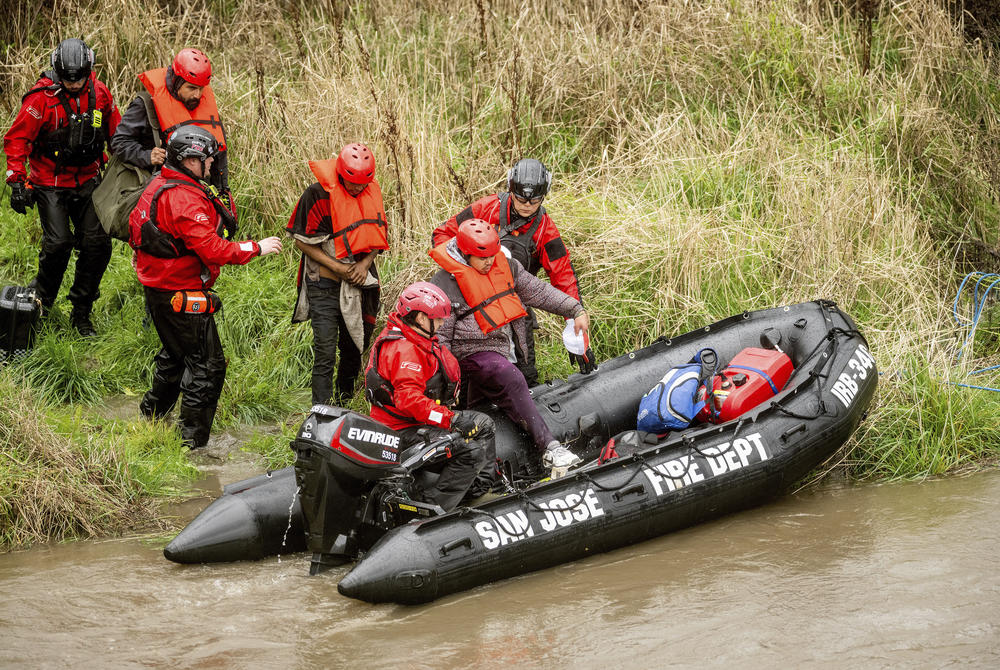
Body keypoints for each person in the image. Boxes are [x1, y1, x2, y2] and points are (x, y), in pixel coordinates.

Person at [128, 126, 282, 449]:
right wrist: (256, 247)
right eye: (205, 158)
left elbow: (139, 230)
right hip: (178, 294)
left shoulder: (162, 183)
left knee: (175, 356)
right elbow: (214, 250)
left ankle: (151, 417)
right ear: (187, 160)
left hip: (161, 291)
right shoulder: (183, 199)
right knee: (207, 368)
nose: (212, 163)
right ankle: (192, 445)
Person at [430, 219, 590, 473]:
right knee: (510, 377)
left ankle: (488, 472)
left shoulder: (508, 267)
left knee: (488, 408)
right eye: (482, 258)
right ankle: (551, 449)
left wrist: (575, 309)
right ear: (464, 253)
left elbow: (541, 292)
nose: (489, 263)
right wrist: (448, 385)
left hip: (501, 350)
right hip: (468, 355)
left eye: (492, 256)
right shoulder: (445, 285)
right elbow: (440, 339)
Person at [431, 158, 593, 384]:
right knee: (473, 371)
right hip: (472, 304)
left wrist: (576, 333)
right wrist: (467, 270)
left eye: (534, 200)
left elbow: (563, 276)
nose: (527, 205)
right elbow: (441, 236)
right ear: (511, 189)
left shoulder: (545, 229)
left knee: (525, 373)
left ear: (544, 195)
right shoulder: (486, 209)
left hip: (515, 303)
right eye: (520, 198)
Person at [3, 38, 121, 336]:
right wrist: (16, 178)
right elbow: (17, 139)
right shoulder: (41, 99)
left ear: (88, 69)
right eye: (68, 79)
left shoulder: (101, 93)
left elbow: (117, 134)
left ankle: (81, 312)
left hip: (89, 180)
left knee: (97, 244)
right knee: (58, 245)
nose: (72, 84)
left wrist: (136, 160)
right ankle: (40, 303)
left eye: (78, 78)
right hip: (49, 182)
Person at [365, 281, 494, 511]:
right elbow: (408, 401)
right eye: (438, 318)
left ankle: (476, 491)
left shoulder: (415, 338)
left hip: (415, 421)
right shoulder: (405, 350)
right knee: (470, 451)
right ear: (422, 318)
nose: (443, 323)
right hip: (400, 431)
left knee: (484, 425)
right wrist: (450, 419)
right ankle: (431, 510)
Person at [286, 143, 389, 406]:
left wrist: (364, 265)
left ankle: (343, 405)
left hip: (359, 283)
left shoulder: (370, 192)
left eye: (362, 184)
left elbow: (376, 236)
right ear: (341, 173)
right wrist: (340, 268)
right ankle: (320, 411)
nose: (357, 189)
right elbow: (303, 242)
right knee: (325, 351)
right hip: (323, 283)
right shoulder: (317, 194)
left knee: (354, 348)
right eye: (352, 183)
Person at [111, 48, 233, 209]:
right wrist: (147, 156)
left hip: (199, 196)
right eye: (191, 88)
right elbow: (119, 142)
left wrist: (222, 193)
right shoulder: (145, 105)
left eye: (201, 88)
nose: (197, 95)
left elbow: (218, 155)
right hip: (161, 196)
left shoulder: (204, 106)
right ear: (177, 81)